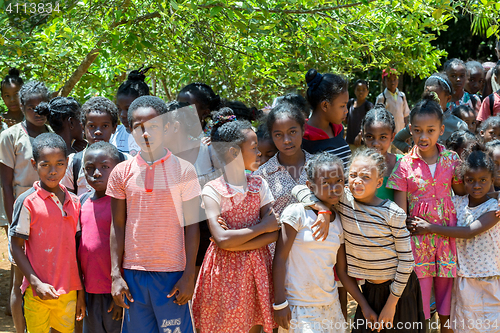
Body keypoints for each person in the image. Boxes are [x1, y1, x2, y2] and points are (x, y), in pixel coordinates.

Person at [293, 148, 423, 333]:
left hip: (400, 291)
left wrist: (391, 304)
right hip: (369, 291)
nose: (357, 181)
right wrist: (321, 208)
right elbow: (298, 189)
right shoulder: (343, 199)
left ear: (379, 182)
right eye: (353, 175)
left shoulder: (392, 213)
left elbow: (407, 261)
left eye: (365, 177)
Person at [107, 96, 201, 333]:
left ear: (166, 127)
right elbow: (117, 225)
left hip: (172, 274)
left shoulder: (184, 170)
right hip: (133, 273)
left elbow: (192, 226)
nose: (145, 133)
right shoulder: (122, 172)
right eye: (138, 127)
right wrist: (116, 274)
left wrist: (189, 274)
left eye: (153, 126)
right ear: (129, 129)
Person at [192, 108, 279, 333]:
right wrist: (260, 227)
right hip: (224, 275)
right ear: (233, 152)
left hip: (255, 272)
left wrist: (234, 244)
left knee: (254, 324)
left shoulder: (259, 184)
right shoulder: (213, 190)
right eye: (254, 148)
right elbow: (221, 239)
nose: (259, 152)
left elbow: (274, 232)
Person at [387, 95, 466, 333]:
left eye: (430, 130)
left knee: (446, 302)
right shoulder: (403, 165)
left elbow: (463, 196)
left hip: (447, 240)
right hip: (417, 243)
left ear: (441, 130)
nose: (424, 136)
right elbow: (400, 212)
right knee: (420, 302)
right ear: (410, 130)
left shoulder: (452, 160)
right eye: (418, 130)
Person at [273, 152, 375, 332]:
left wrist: (364, 305)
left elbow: (342, 272)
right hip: (299, 306)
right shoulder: (296, 213)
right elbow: (279, 258)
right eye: (326, 183)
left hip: (330, 305)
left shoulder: (338, 222)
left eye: (339, 181)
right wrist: (280, 303)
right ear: (310, 186)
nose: (334, 188)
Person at [409, 144, 500, 332]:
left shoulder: (494, 209)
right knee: (464, 325)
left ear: (492, 179)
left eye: (483, 180)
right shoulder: (457, 203)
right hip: (462, 277)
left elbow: (469, 231)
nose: (476, 185)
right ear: (462, 180)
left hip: (487, 278)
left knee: (489, 325)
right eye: (470, 180)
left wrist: (429, 228)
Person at [9, 133, 85, 333]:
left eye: (60, 164)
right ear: (34, 164)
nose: (53, 171)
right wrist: (36, 283)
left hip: (68, 291)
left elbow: (77, 251)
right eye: (45, 165)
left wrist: (80, 292)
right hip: (37, 292)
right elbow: (16, 247)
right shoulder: (27, 202)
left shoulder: (75, 202)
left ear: (67, 162)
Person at [0, 80, 51, 333]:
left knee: (47, 274)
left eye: (42, 107)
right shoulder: (11, 137)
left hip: (50, 217)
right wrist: (13, 224)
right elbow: (7, 185)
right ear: (22, 107)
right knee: (20, 281)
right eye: (31, 108)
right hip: (22, 216)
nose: (37, 113)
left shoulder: (54, 132)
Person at [78, 141, 123, 333]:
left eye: (105, 167)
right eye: (90, 168)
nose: (97, 173)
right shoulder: (81, 202)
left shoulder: (122, 203)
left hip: (116, 289)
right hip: (89, 290)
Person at [62, 96, 125, 195]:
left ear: (114, 128)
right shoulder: (73, 162)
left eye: (105, 126)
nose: (98, 132)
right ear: (83, 127)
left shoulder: (125, 161)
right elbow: (68, 200)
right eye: (92, 126)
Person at [393, 73, 468, 152]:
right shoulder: (419, 122)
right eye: (428, 99)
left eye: (436, 100)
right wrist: (411, 152)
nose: (431, 103)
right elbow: (397, 139)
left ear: (448, 98)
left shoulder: (459, 126)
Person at [302, 68, 351, 168]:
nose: (346, 110)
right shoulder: (303, 138)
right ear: (325, 105)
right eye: (342, 106)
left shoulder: (338, 130)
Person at [361, 107, 401, 201]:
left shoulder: (402, 164)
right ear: (362, 136)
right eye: (369, 137)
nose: (376, 143)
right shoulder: (357, 167)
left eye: (382, 137)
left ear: (392, 137)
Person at [111, 67, 151, 156]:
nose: (122, 115)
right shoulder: (114, 134)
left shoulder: (153, 136)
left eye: (128, 109)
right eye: (119, 109)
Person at [375, 68, 411, 134]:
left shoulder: (402, 96)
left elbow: (405, 115)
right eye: (389, 80)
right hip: (387, 133)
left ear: (398, 80)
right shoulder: (382, 97)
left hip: (401, 132)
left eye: (394, 79)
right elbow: (378, 118)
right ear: (384, 82)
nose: (392, 82)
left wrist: (407, 133)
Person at [345, 79, 373, 149]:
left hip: (363, 143)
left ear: (367, 92)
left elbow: (371, 124)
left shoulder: (368, 106)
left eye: (363, 89)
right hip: (349, 141)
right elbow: (345, 120)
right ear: (354, 91)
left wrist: (360, 135)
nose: (361, 92)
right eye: (358, 89)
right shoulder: (350, 103)